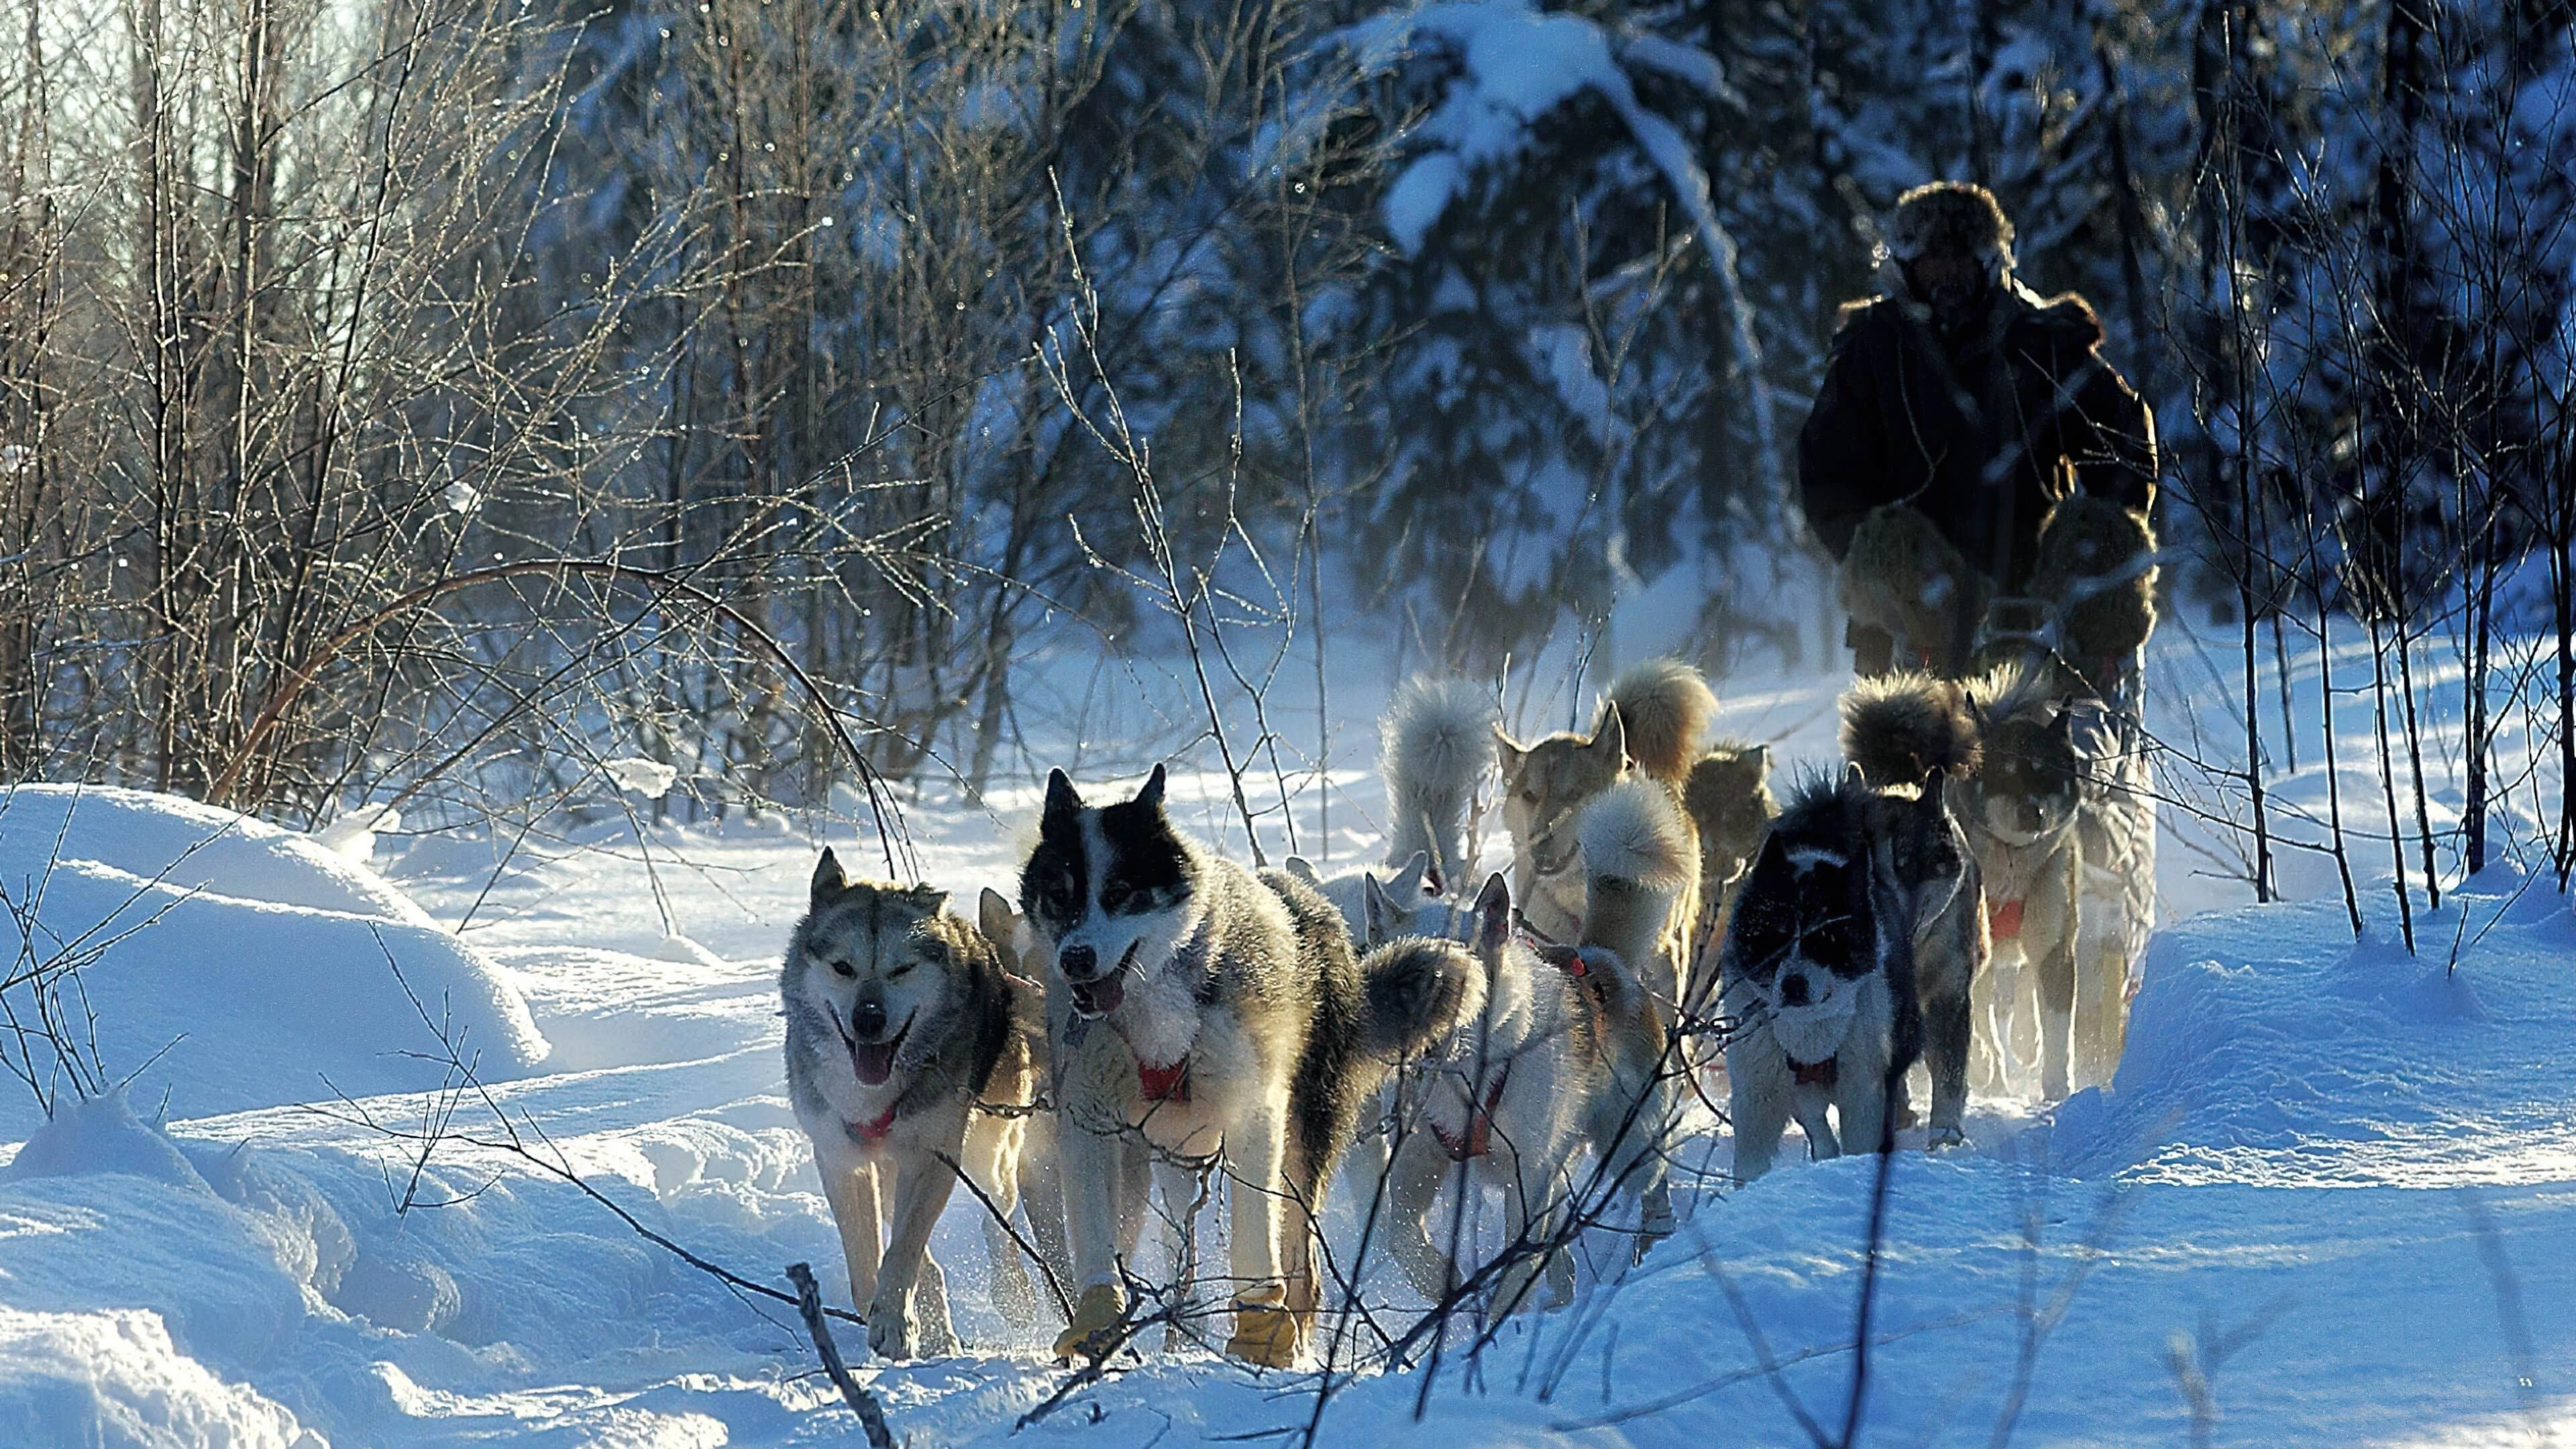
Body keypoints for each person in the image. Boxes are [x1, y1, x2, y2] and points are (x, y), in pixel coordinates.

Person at [1798, 182, 2158, 677]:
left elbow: (2123, 439)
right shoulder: (1872, 348)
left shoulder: (2043, 338)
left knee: (2099, 567)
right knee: (1910, 740)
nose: (1948, 271)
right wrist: (1883, 558)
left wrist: (2090, 544)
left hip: (2034, 594)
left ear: (1988, 258)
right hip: (1915, 603)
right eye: (1933, 256)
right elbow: (1826, 474)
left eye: (1961, 255)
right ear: (1907, 262)